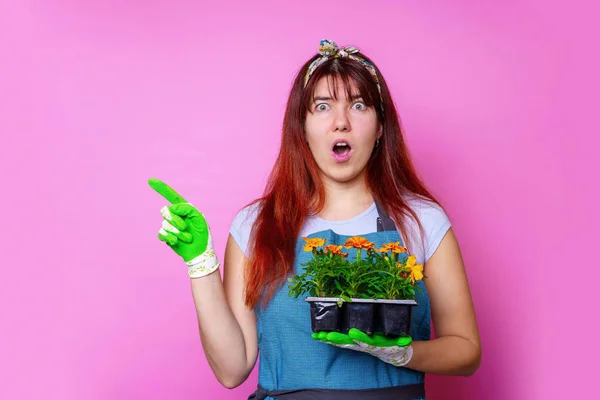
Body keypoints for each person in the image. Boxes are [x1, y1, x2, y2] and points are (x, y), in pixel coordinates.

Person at [149, 39, 481, 400]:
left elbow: (466, 350)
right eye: (322, 107)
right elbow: (232, 369)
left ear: (381, 126)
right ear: (302, 128)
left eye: (358, 105)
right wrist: (201, 264)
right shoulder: (256, 225)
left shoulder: (421, 221)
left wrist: (402, 353)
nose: (341, 123)